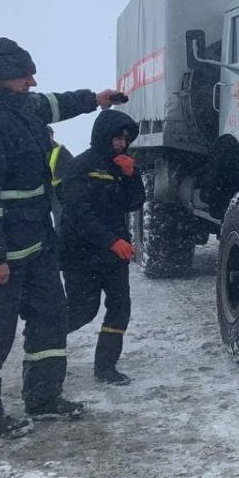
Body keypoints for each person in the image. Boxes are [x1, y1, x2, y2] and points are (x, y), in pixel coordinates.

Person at [0, 37, 122, 439]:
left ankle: (43, 399)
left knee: (50, 319)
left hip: (36, 245)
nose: (33, 80)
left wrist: (96, 99)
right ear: (4, 77)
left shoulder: (21, 105)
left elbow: (54, 104)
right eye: (26, 74)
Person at [59, 110, 145, 385]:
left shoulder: (121, 168)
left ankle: (106, 367)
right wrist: (110, 241)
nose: (121, 144)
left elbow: (134, 203)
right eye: (118, 138)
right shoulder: (80, 167)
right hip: (81, 254)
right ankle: (44, 340)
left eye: (125, 139)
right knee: (83, 310)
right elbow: (78, 214)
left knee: (120, 307)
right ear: (103, 136)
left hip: (114, 255)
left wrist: (132, 176)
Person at [47, 127, 74, 230]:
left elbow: (72, 168)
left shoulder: (60, 150)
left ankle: (61, 239)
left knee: (60, 217)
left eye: (50, 134)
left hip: (58, 189)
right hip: (44, 189)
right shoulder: (39, 149)